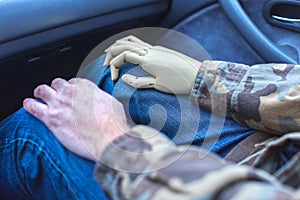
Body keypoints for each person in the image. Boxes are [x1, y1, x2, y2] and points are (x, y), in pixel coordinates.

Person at [0, 36, 299, 199]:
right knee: (121, 74)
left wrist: (118, 142)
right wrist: (209, 79)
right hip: (275, 154)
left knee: (30, 135)